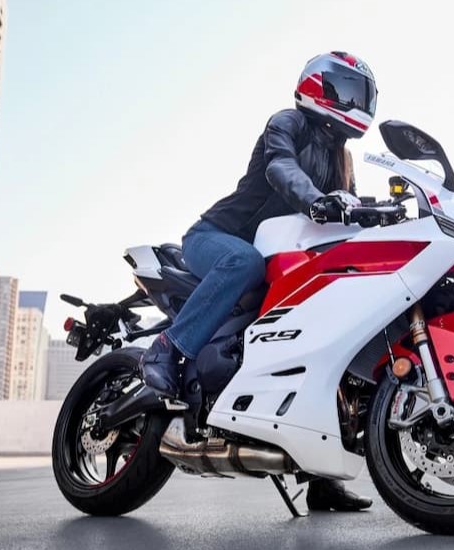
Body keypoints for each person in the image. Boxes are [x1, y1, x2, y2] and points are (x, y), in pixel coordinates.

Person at [139, 51, 378, 511]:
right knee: (243, 261)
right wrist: (314, 201)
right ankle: (167, 348)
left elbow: (347, 205)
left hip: (281, 260)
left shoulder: (340, 158)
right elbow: (280, 169)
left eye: (361, 94)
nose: (356, 102)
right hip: (217, 239)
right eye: (348, 91)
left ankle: (322, 480)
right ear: (319, 87)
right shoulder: (286, 122)